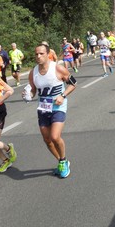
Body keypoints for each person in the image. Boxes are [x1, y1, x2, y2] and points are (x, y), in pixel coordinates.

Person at [25, 43, 76, 179]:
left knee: (54, 136)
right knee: (47, 140)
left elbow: (73, 83)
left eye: (41, 53)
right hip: (43, 108)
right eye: (36, 54)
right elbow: (34, 90)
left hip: (58, 106)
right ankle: (61, 161)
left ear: (48, 54)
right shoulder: (33, 72)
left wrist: (63, 95)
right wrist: (28, 95)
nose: (38, 56)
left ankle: (63, 161)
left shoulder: (58, 69)